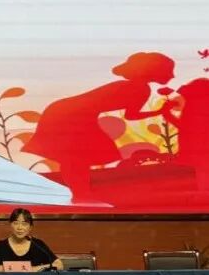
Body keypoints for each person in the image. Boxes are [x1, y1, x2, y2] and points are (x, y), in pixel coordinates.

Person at [21, 52, 175, 203]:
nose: (172, 76)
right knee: (76, 157)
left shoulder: (138, 88)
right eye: (168, 70)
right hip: (71, 115)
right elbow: (131, 115)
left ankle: (80, 193)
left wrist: (160, 111)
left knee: (76, 158)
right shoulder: (140, 89)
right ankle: (80, 194)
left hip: (70, 112)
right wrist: (160, 111)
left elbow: (129, 115)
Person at [0, 208, 64, 272]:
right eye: (16, 223)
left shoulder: (38, 244)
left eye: (24, 224)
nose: (20, 228)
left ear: (30, 227)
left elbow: (59, 265)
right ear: (10, 225)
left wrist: (35, 269)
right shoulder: (2, 245)